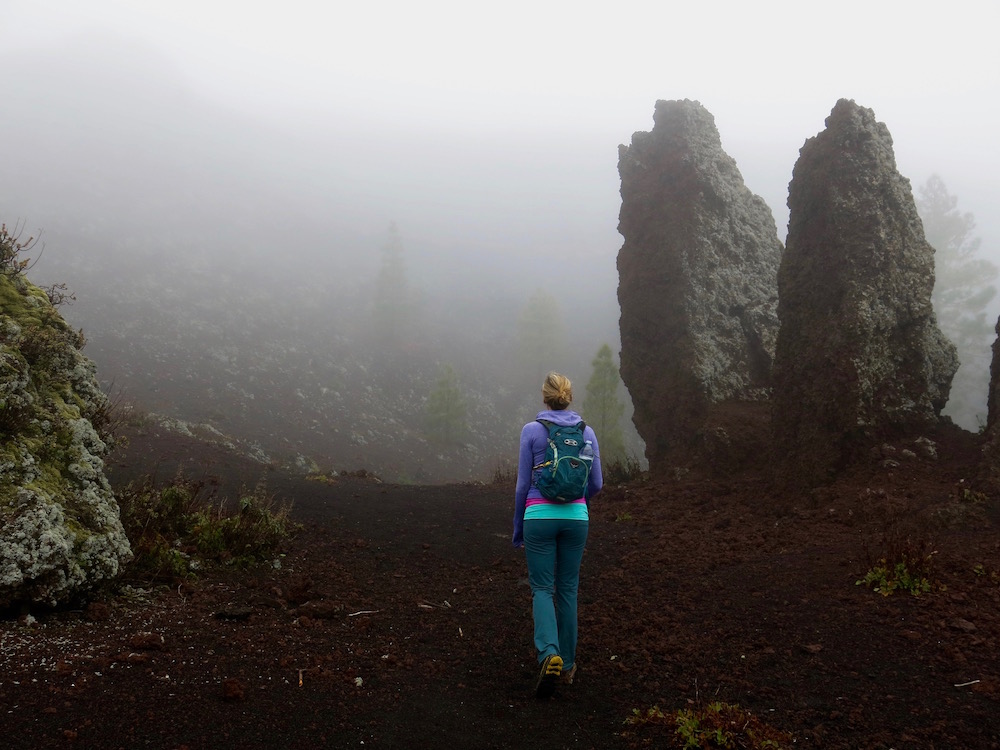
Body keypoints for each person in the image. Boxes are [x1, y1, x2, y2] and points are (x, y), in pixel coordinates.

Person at [512, 371, 603, 698]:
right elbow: (597, 484)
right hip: (577, 518)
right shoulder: (587, 433)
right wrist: (576, 502)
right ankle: (567, 667)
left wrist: (518, 525)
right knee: (567, 589)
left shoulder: (532, 431)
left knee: (541, 588)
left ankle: (549, 652)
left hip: (538, 516)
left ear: (545, 397)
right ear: (568, 396)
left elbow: (523, 484)